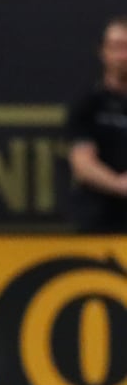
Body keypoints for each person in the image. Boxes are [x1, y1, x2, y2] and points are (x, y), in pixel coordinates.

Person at [66, 15, 127, 233]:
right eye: (116, 47)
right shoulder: (88, 104)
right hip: (98, 221)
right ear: (103, 51)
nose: (123, 56)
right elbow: (83, 164)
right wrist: (120, 185)